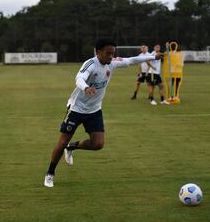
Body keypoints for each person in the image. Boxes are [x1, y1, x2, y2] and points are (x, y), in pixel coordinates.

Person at [44, 38, 161, 187]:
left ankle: (72, 147)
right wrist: (86, 87)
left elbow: (131, 60)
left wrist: (152, 56)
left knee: (98, 144)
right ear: (98, 52)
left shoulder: (112, 63)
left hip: (94, 110)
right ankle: (50, 173)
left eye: (113, 53)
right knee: (62, 141)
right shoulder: (91, 64)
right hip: (76, 108)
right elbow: (79, 78)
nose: (111, 57)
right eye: (108, 53)